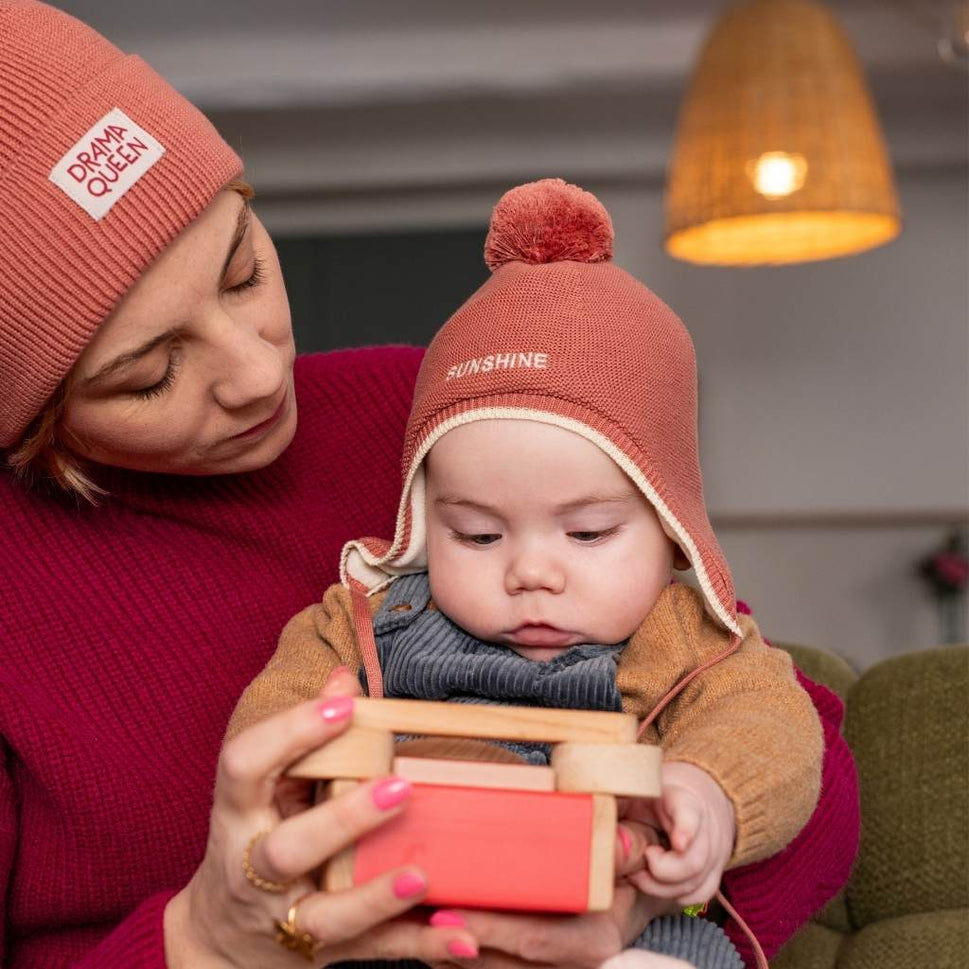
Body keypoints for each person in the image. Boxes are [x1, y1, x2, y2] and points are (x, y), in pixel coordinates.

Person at [0, 2, 858, 968]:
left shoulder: (447, 421)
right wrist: (205, 941)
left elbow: (775, 718)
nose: (254, 370)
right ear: (30, 423)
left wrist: (627, 906)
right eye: (147, 373)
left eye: (241, 270)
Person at [226, 179, 825, 969]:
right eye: (476, 533)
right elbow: (274, 724)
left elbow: (771, 723)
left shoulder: (687, 636)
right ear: (421, 516)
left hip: (619, 924)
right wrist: (295, 781)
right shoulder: (362, 622)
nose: (531, 571)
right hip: (400, 912)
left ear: (672, 529)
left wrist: (707, 792)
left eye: (587, 531)